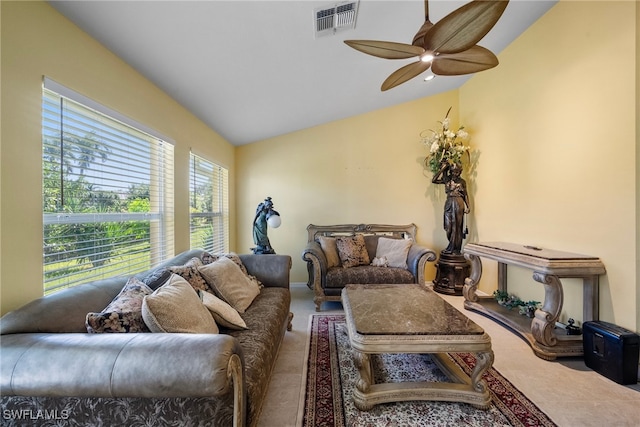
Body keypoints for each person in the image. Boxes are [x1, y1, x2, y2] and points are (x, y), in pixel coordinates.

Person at [432, 162, 469, 254]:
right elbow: (434, 180)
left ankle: (455, 249)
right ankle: (451, 246)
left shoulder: (462, 182)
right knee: (448, 227)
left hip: (458, 202)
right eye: (453, 171)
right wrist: (443, 169)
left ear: (460, 172)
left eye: (457, 172)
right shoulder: (447, 179)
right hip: (449, 203)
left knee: (457, 226)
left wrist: (468, 206)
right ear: (450, 171)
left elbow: (465, 195)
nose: (455, 174)